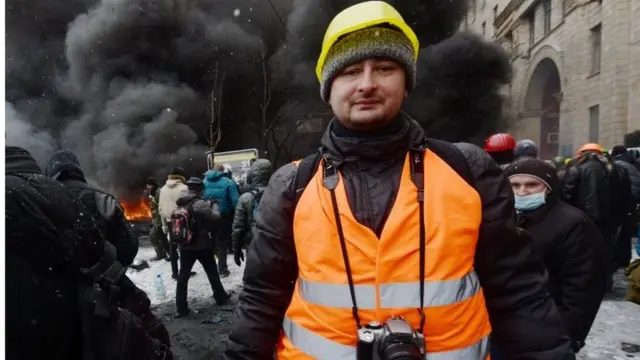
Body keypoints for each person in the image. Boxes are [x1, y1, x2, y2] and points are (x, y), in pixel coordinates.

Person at [224, 2, 575, 359]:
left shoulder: (467, 170)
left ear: (406, 83)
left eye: (384, 68)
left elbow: (517, 291)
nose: (366, 84)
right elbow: (261, 300)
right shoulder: (292, 185)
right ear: (328, 89)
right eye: (349, 71)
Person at [7, 146, 172, 360]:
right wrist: (110, 273)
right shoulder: (97, 199)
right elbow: (129, 245)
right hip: (99, 301)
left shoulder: (39, 199)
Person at [503, 158, 605, 354]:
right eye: (514, 185)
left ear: (548, 188)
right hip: (507, 327)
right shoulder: (504, 217)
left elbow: (582, 287)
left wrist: (570, 334)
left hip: (549, 330)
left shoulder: (574, 224)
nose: (522, 191)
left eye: (531, 185)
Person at [44, 149, 138, 266]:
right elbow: (129, 246)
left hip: (58, 279)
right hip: (101, 279)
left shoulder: (42, 200)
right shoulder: (102, 199)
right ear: (78, 170)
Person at [562, 143, 630, 290]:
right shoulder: (617, 170)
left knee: (582, 253)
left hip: (582, 219)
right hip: (608, 221)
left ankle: (584, 284)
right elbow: (624, 196)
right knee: (606, 251)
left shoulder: (576, 169)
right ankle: (605, 283)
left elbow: (567, 195)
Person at [175, 177, 231, 317]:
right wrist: (214, 205)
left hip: (185, 245)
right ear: (200, 189)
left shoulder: (181, 202)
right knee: (212, 272)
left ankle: (181, 307)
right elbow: (215, 217)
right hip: (202, 245)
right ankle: (220, 297)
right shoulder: (199, 203)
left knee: (183, 277)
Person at [231, 159, 273, 266]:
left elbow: (237, 229)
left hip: (254, 245)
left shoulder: (245, 198)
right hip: (276, 246)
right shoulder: (279, 194)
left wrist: (236, 250)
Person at [203, 164, 240, 278]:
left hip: (208, 215)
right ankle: (222, 269)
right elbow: (235, 201)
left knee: (211, 241)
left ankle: (211, 268)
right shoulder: (229, 182)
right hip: (224, 216)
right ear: (222, 171)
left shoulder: (204, 181)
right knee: (222, 242)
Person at [159, 167, 194, 280]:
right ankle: (185, 271)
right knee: (184, 245)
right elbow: (189, 205)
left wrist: (164, 224)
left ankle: (175, 273)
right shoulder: (184, 188)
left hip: (170, 221)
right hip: (183, 221)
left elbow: (160, 208)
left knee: (172, 246)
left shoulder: (163, 189)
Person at [146, 177, 167, 260]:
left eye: (149, 185)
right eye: (147, 185)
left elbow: (162, 206)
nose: (148, 187)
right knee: (162, 237)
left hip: (160, 219)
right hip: (156, 219)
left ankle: (161, 254)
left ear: (153, 185)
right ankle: (168, 254)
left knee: (153, 236)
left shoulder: (159, 192)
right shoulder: (152, 193)